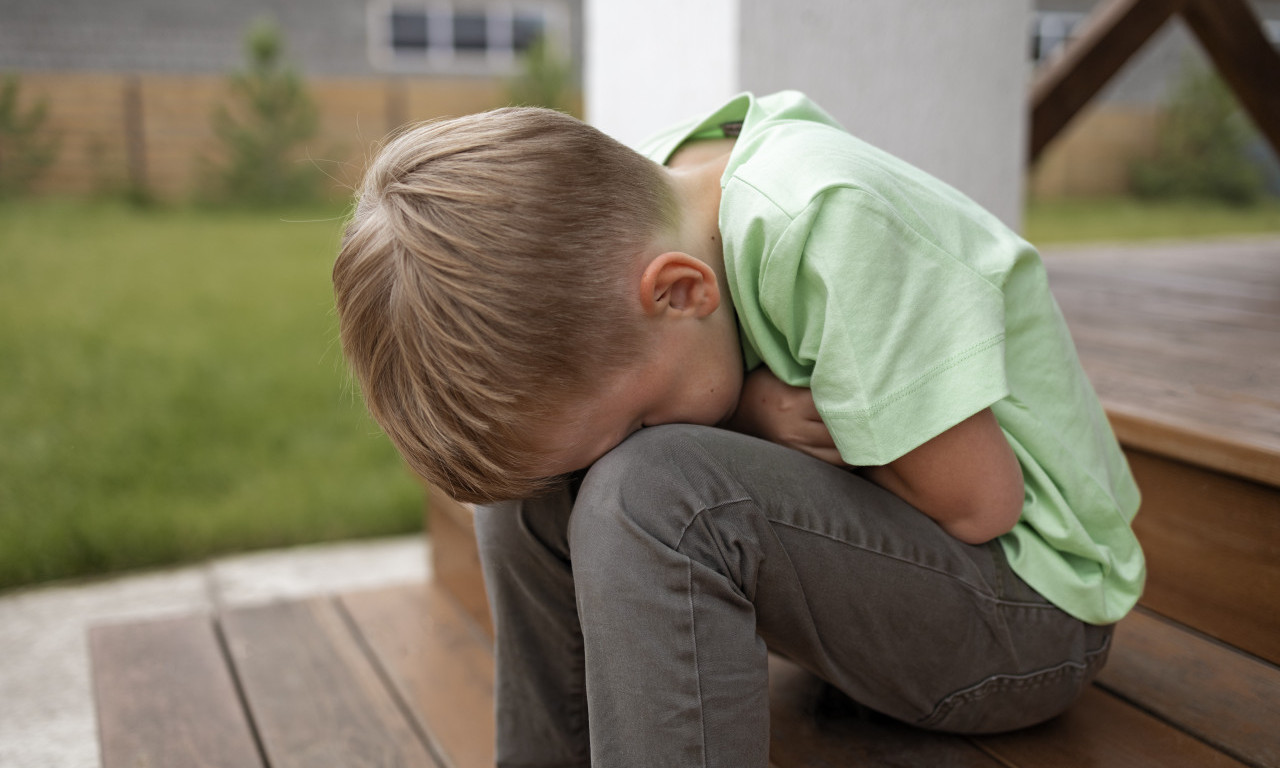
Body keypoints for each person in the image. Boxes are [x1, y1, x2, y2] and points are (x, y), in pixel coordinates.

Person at [332, 90, 1145, 768]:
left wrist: (737, 417)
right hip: (897, 608)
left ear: (683, 293)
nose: (635, 440)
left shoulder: (828, 221)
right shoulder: (643, 206)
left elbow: (981, 505)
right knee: (532, 489)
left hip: (1029, 622)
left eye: (640, 416)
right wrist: (752, 409)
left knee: (650, 489)